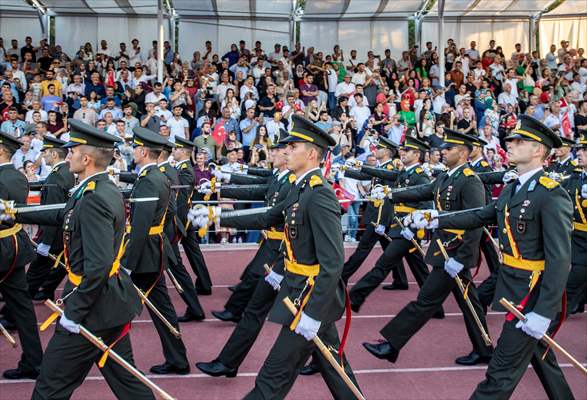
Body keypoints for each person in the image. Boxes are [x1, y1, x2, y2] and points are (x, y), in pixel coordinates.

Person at [189, 115, 362, 399]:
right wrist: (218, 214)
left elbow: (333, 263)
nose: (286, 151)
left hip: (307, 300)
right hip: (300, 291)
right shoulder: (300, 187)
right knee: (337, 371)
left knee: (271, 379)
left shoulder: (319, 194)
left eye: (293, 146)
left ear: (311, 153)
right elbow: (269, 216)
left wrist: (313, 314)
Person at [417, 115, 575, 399]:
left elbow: (560, 260)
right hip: (514, 286)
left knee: (499, 373)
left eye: (518, 140)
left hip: (532, 295)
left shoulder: (551, 194)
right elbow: (481, 215)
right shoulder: (515, 187)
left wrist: (543, 312)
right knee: (542, 360)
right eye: (510, 139)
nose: (509, 144)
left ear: (538, 150)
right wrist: (435, 219)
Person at [2, 120, 153, 398]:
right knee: (129, 384)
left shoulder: (94, 197)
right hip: (108, 304)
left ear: (85, 158)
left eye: (71, 151)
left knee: (49, 388)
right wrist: (15, 212)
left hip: (91, 308)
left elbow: (98, 265)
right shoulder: (97, 188)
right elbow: (64, 215)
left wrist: (74, 314)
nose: (66, 154)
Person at [363, 129, 493, 366]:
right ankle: (484, 348)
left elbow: (475, 222)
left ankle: (391, 344)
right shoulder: (447, 176)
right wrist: (391, 193)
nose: (442, 152)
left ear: (463, 153)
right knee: (468, 301)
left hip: (455, 250)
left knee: (426, 301)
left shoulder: (470, 180)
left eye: (449, 149)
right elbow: (423, 191)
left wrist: (462, 258)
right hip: (444, 249)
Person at [196, 131, 294, 377]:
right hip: (275, 250)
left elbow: (268, 215)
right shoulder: (282, 178)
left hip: (284, 255)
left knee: (306, 319)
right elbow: (255, 191)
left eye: (281, 150)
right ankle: (228, 361)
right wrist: (224, 183)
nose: (273, 153)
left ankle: (228, 359)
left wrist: (220, 216)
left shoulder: (295, 183)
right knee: (262, 310)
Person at [122, 127, 190, 375]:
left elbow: (140, 228)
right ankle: (177, 359)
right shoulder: (156, 177)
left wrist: (127, 263)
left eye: (135, 148)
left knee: (117, 305)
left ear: (143, 151)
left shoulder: (150, 180)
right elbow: (165, 213)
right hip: (153, 250)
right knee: (161, 306)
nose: (133, 151)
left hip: (146, 253)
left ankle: (115, 360)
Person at [348, 137, 437, 312]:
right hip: (400, 228)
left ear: (417, 154)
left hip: (408, 231)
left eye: (407, 150)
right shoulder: (404, 172)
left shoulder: (420, 176)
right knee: (420, 270)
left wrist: (416, 229)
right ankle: (435, 306)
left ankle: (354, 297)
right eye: (402, 150)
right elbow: (382, 173)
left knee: (383, 265)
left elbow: (426, 203)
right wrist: (356, 168)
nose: (402, 152)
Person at [0, 131, 43, 380]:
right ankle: (34, 361)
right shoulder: (17, 176)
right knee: (23, 309)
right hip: (15, 244)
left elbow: (3, 216)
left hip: (3, 245)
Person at [25, 136, 75, 302]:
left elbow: (52, 211)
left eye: (45, 152)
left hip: (53, 233)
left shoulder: (56, 177)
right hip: (62, 231)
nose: (43, 156)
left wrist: (46, 241)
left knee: (35, 270)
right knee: (58, 266)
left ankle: (15, 311)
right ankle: (47, 290)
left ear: (54, 154)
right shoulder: (65, 172)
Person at [172, 136, 213, 298]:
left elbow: (181, 201)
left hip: (183, 218)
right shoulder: (185, 168)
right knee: (193, 251)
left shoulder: (186, 171)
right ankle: (204, 283)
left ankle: (197, 286)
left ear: (182, 151)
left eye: (176, 149)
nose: (173, 151)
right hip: (186, 218)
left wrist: (178, 224)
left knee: (177, 253)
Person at [563, 134, 587, 315]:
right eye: (579, 149)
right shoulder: (577, 177)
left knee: (574, 279)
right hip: (577, 236)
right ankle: (575, 304)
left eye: (584, 150)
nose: (579, 153)